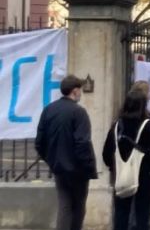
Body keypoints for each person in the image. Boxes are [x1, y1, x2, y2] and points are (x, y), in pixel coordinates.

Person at [35, 75, 98, 230]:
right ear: (75, 91)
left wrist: (52, 160)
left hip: (59, 168)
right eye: (80, 91)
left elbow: (39, 142)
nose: (81, 94)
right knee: (78, 207)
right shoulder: (79, 112)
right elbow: (82, 143)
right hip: (78, 169)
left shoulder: (48, 110)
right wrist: (88, 166)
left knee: (64, 205)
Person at [102, 90, 150, 230]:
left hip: (120, 173)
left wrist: (114, 166)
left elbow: (107, 153)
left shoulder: (117, 126)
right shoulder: (149, 126)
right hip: (143, 174)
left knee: (121, 211)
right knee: (142, 211)